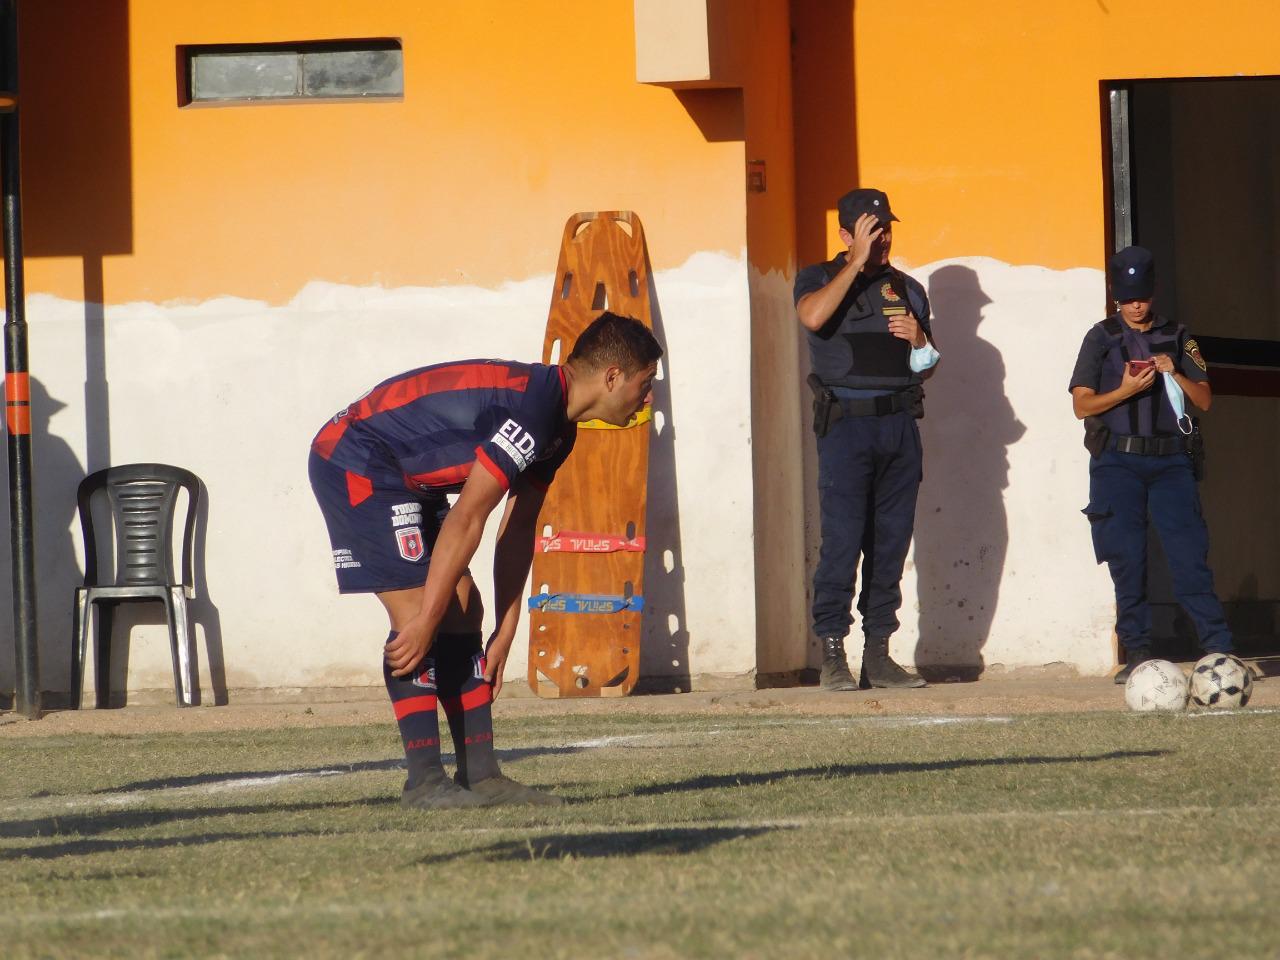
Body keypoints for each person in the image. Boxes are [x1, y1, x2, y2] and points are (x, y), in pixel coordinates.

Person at [308, 311, 662, 807]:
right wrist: (426, 621)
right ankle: (423, 784)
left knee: (464, 609)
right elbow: (470, 517)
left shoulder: (560, 429)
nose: (648, 398)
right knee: (419, 614)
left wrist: (504, 632)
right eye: (646, 383)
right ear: (612, 376)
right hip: (357, 457)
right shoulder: (536, 411)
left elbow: (516, 531)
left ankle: (481, 776)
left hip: (409, 477)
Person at [794, 188, 941, 691]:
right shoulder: (818, 278)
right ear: (846, 234)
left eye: (886, 230)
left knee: (890, 545)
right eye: (870, 231)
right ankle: (833, 655)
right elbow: (813, 317)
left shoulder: (908, 289)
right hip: (846, 427)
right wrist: (855, 262)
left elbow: (926, 366)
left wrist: (920, 341)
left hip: (899, 427)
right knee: (842, 542)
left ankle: (878, 655)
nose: (882, 239)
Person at [1069, 245, 1234, 683]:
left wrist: (1173, 372)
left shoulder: (1179, 336)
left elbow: (1204, 400)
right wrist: (1125, 390)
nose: (1135, 306)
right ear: (1116, 294)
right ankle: (1137, 651)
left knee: (1189, 555)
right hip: (1117, 462)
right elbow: (1082, 406)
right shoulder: (1100, 337)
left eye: (1141, 296)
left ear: (1153, 292)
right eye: (1127, 298)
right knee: (1126, 558)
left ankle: (1218, 647)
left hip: (1170, 462)